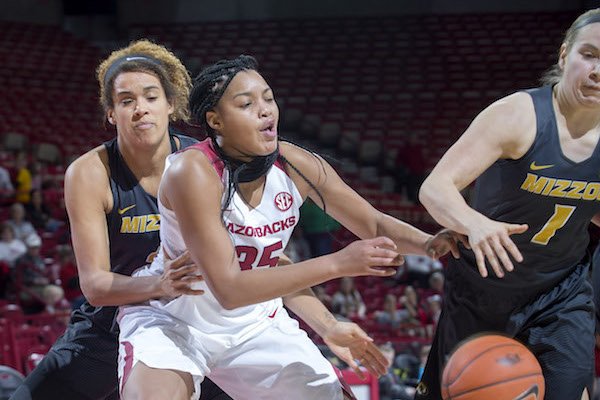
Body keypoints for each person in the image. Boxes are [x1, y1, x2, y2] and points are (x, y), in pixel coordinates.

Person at [117, 54, 459, 400]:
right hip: (175, 321)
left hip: (253, 323)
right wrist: (339, 263)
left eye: (268, 98)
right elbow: (230, 288)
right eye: (246, 104)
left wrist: (434, 244)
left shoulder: (297, 164)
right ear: (215, 120)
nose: (265, 110)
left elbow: (372, 222)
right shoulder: (192, 172)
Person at [10, 40, 231, 400]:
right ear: (111, 113)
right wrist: (162, 284)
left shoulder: (205, 162)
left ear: (170, 104)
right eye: (127, 101)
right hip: (111, 323)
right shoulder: (89, 172)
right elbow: (95, 285)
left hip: (199, 323)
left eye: (150, 97)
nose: (140, 109)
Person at [416, 9, 600, 400]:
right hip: (483, 290)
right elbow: (435, 187)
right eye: (589, 54)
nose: (597, 70)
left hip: (561, 291)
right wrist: (473, 222)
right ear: (565, 55)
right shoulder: (517, 115)